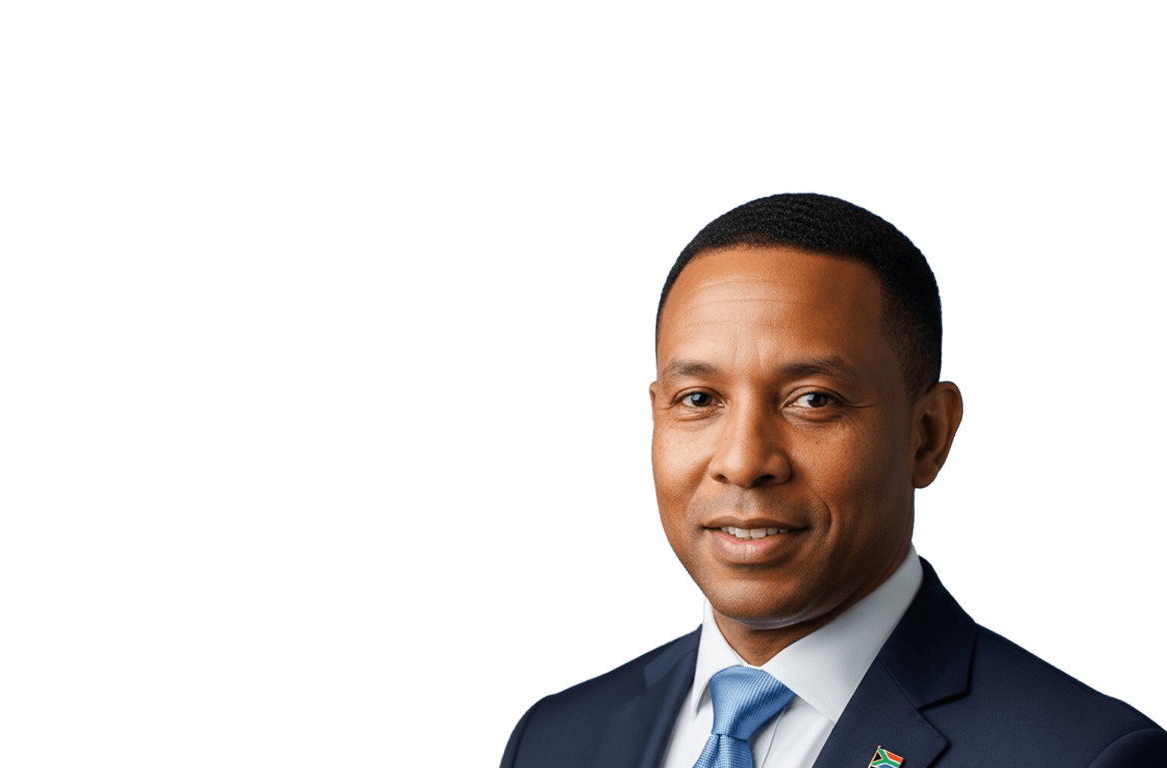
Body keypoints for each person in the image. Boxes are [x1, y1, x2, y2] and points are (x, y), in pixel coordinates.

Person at [498, 193, 1167, 768]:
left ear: (928, 435)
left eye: (814, 400)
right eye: (699, 399)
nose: (744, 461)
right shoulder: (554, 740)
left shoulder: (1082, 753)